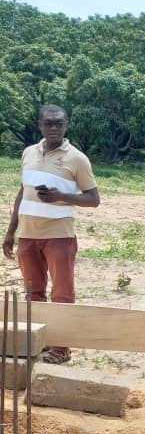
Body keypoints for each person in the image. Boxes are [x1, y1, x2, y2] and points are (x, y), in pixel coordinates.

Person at [2, 105, 100, 364]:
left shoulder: (77, 158)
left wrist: (61, 197)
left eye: (59, 123)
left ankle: (61, 348)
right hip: (28, 235)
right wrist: (11, 232)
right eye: (49, 124)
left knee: (62, 294)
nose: (54, 128)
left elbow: (94, 199)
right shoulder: (28, 153)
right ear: (40, 125)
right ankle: (38, 341)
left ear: (66, 125)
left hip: (60, 236)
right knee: (33, 292)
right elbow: (23, 193)